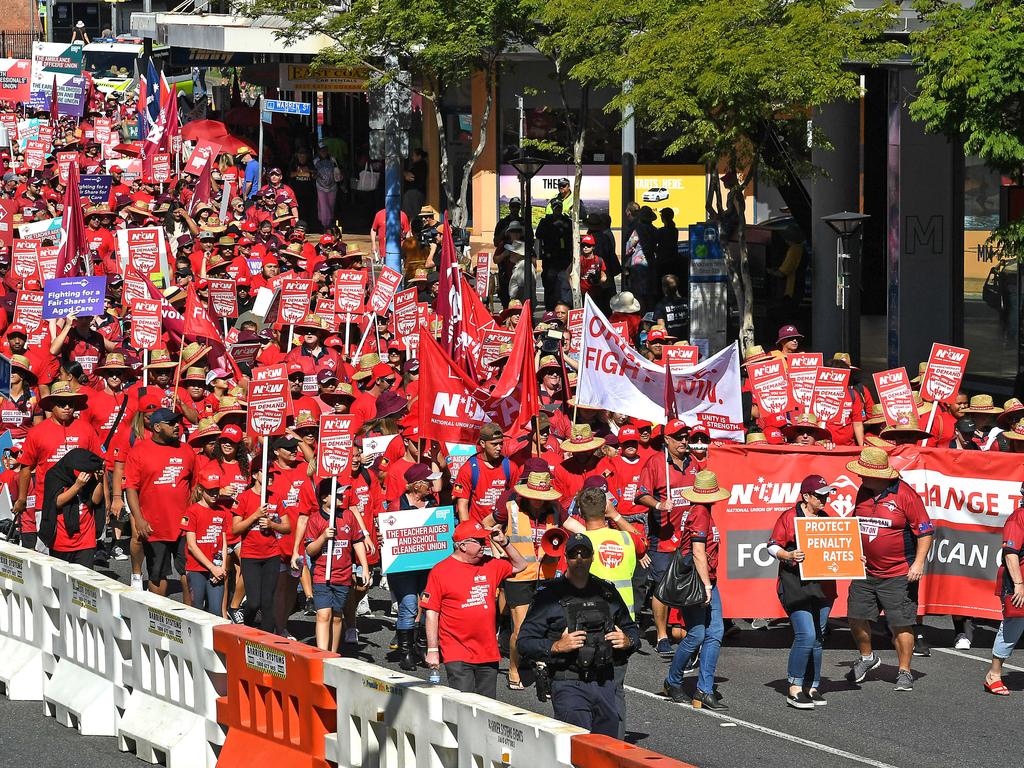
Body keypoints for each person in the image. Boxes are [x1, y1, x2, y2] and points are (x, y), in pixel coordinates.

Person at [517, 533, 639, 737]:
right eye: (574, 554)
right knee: (576, 748)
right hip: (568, 683)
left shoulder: (606, 592)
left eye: (585, 554)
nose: (580, 559)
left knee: (606, 750)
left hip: (605, 683)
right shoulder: (548, 596)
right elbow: (524, 643)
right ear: (566, 558)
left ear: (593, 557)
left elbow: (631, 628)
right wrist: (556, 646)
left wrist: (628, 641)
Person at [844, 447, 934, 692]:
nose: (860, 477)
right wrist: (854, 552)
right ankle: (867, 658)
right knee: (856, 616)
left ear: (881, 475)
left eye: (864, 473)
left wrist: (918, 563)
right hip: (865, 571)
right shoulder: (864, 491)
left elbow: (925, 531)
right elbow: (856, 525)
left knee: (901, 624)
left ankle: (904, 671)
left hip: (898, 573)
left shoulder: (906, 495)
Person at [422, 520, 527, 696]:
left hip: (488, 652)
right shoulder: (440, 571)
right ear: (462, 546)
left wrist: (504, 542)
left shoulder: (490, 564)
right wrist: (433, 650)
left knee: (487, 708)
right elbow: (432, 612)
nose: (484, 545)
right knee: (465, 706)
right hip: (457, 651)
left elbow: (520, 565)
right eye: (479, 541)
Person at [768, 475, 839, 709]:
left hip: (823, 587)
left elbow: (839, 547)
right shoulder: (789, 517)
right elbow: (772, 545)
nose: (825, 499)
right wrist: (787, 555)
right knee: (806, 635)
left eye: (827, 494)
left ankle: (813, 685)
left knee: (818, 637)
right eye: (820, 496)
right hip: (795, 586)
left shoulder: (826, 518)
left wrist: (854, 558)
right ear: (806, 496)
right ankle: (795, 687)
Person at [663, 470, 730, 709]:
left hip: (703, 579)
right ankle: (674, 681)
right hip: (699, 581)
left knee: (713, 633)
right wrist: (707, 586)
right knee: (698, 634)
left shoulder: (697, 511)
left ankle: (703, 689)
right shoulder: (701, 514)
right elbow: (698, 553)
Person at [16, 382, 101, 550]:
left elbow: (99, 465)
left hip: (81, 501)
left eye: (71, 403)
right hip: (47, 502)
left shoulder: (87, 429)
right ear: (51, 406)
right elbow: (25, 468)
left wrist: (106, 499)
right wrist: (22, 499)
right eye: (61, 403)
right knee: (46, 555)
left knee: (79, 555)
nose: (67, 407)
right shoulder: (37, 432)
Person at [123, 408, 196, 597]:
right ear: (156, 427)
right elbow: (131, 488)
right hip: (154, 526)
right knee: (157, 575)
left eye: (177, 423)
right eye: (170, 423)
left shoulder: (187, 450)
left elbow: (195, 487)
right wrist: (138, 519)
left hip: (184, 525)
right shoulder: (139, 451)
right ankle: (156, 620)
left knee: (189, 574)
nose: (177, 427)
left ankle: (189, 618)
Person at [305, 478, 370, 652]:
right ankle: (321, 654)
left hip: (343, 575)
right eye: (338, 493)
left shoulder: (348, 515)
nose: (343, 495)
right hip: (321, 575)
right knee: (323, 614)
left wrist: (364, 567)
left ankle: (332, 655)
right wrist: (323, 537)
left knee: (336, 616)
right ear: (325, 498)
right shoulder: (315, 519)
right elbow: (310, 550)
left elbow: (357, 541)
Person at [984, 483, 1024, 695]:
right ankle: (994, 674)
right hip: (1019, 582)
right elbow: (1011, 553)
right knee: (1012, 626)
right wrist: (1019, 585)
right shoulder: (1018, 518)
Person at [182, 470, 230, 615]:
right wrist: (211, 568)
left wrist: (221, 568)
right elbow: (191, 545)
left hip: (217, 569)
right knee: (197, 609)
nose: (215, 495)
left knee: (216, 611)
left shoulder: (221, 512)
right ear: (201, 490)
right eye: (210, 491)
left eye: (216, 490)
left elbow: (224, 543)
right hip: (197, 568)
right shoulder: (192, 511)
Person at [452, 423, 514, 523]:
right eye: (494, 444)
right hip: (477, 531)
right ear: (482, 443)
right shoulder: (467, 469)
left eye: (501, 443)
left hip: (503, 529)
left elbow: (515, 499)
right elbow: (462, 504)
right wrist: (468, 533)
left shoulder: (510, 467)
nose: (499, 448)